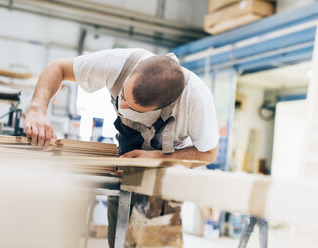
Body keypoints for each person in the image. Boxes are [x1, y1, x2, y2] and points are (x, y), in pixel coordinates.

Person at [24, 48, 219, 247]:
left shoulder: (196, 99)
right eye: (123, 95)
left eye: (134, 108)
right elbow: (57, 67)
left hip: (166, 170)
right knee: (119, 234)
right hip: (126, 160)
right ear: (137, 67)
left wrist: (156, 158)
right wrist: (37, 109)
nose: (123, 106)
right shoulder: (117, 63)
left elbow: (209, 153)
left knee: (154, 239)